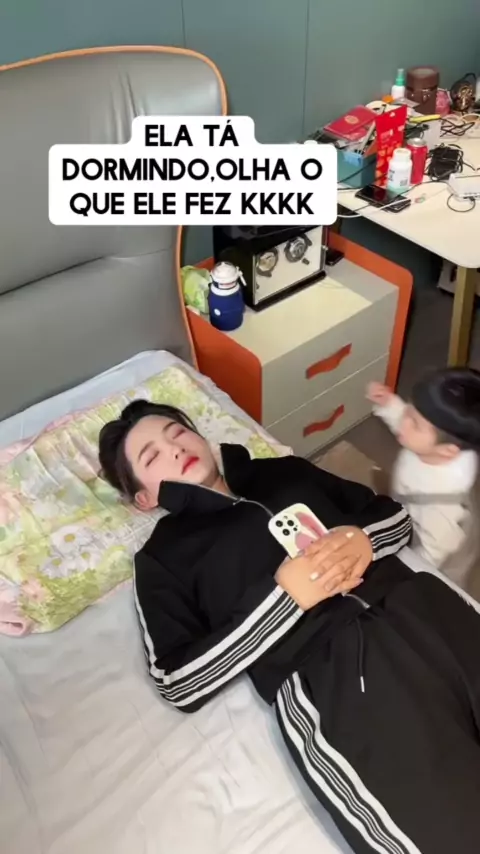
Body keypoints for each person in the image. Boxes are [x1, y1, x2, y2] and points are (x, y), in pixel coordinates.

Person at [99, 400, 480, 854]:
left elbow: (391, 515)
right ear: (143, 498)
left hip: (421, 605)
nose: (175, 449)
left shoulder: (284, 472)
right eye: (152, 456)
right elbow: (178, 682)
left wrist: (363, 539)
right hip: (337, 673)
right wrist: (286, 599)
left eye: (177, 433)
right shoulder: (163, 557)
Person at [366, 367, 480, 588]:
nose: (403, 421)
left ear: (448, 450)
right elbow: (410, 419)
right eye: (408, 410)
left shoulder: (444, 510)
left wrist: (398, 567)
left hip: (438, 560)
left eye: (414, 423)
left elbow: (431, 555)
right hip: (410, 506)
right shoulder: (434, 443)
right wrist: (389, 404)